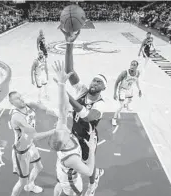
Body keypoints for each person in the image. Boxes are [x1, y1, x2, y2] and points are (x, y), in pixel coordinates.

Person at [61, 29, 105, 196]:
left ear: (104, 87)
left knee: (89, 167)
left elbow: (87, 115)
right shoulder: (82, 90)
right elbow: (69, 70)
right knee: (74, 165)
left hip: (88, 139)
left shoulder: (101, 104)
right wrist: (69, 43)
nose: (95, 82)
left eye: (99, 82)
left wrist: (64, 94)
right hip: (74, 134)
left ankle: (93, 185)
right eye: (94, 79)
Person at [49, 60, 97, 196]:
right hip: (71, 183)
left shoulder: (61, 135)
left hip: (61, 169)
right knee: (75, 192)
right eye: (64, 133)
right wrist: (92, 150)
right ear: (64, 144)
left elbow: (62, 109)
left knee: (58, 185)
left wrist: (62, 84)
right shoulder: (71, 158)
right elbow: (88, 171)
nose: (65, 129)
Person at [9, 91, 56, 196]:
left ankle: (31, 185)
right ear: (11, 102)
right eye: (17, 98)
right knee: (22, 182)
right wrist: (54, 131)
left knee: (39, 167)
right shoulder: (17, 117)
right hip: (21, 151)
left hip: (30, 146)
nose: (21, 99)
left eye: (20, 96)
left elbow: (44, 109)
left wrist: (57, 113)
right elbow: (35, 136)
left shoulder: (28, 105)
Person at [112, 60, 142, 126]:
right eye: (131, 64)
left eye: (134, 65)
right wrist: (115, 93)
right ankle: (114, 119)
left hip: (129, 89)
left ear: (137, 67)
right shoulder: (125, 73)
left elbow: (137, 81)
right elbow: (116, 82)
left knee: (130, 100)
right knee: (121, 106)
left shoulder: (138, 73)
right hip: (122, 90)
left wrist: (139, 90)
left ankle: (127, 106)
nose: (132, 66)